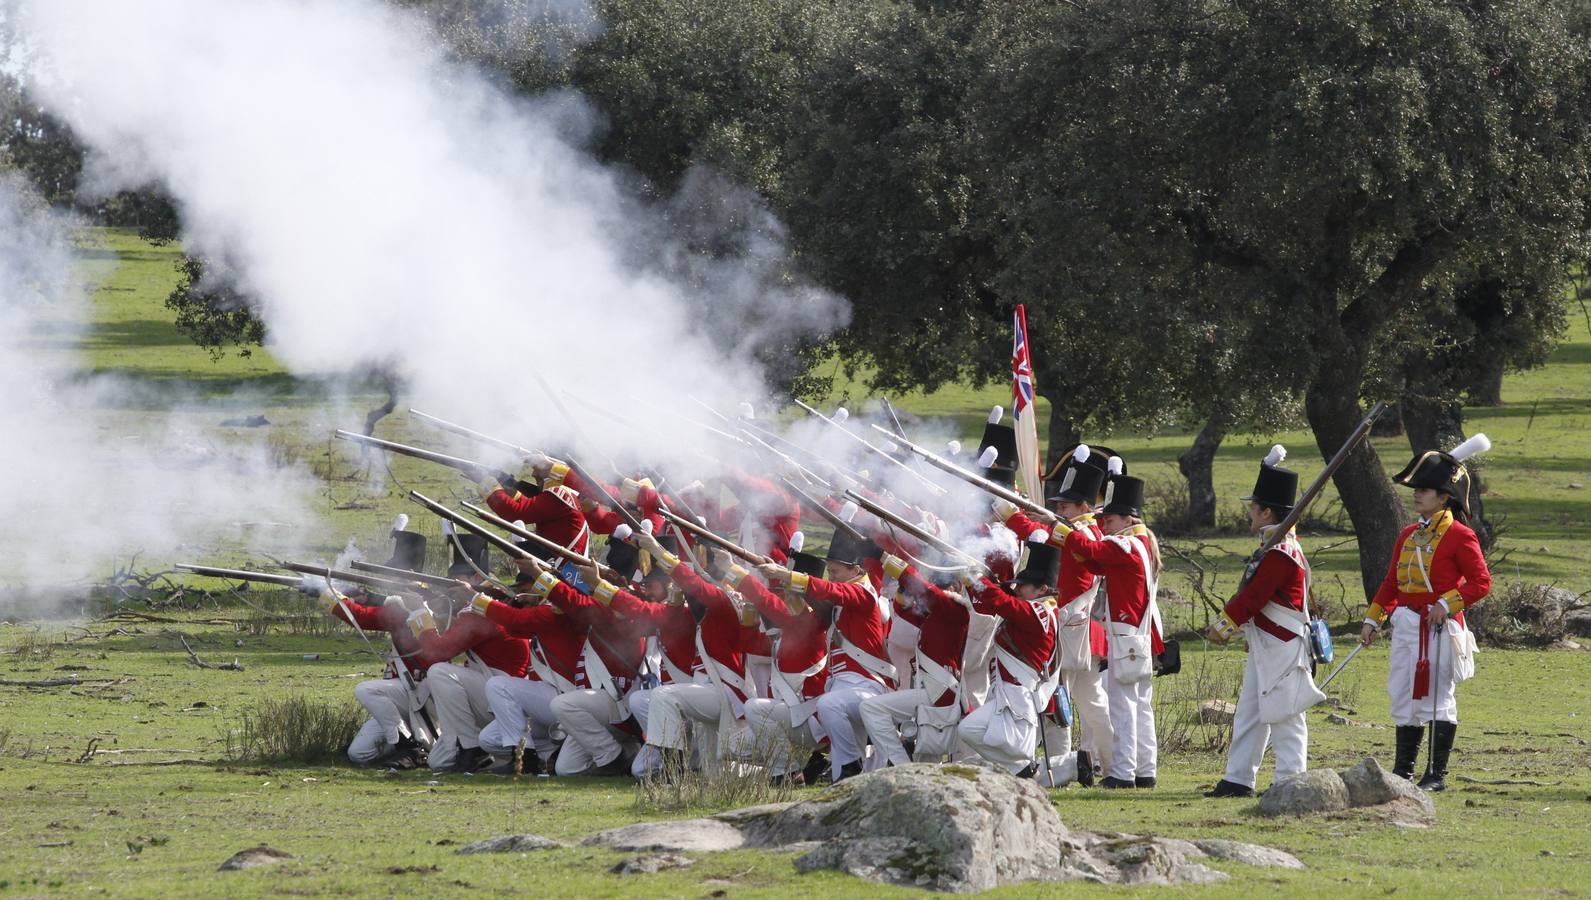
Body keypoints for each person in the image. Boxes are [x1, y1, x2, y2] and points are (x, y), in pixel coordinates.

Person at [1361, 434, 1493, 791]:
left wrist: (1446, 604)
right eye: (1417, 489)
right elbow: (1393, 583)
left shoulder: (1461, 536)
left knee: (1437, 697)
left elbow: (1481, 582)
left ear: (1444, 497)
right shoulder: (1407, 534)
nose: (1417, 494)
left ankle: (1435, 774)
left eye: (1425, 489)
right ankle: (1403, 771)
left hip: (1440, 627)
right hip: (1406, 624)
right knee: (1403, 693)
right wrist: (1374, 618)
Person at [1205, 446, 1324, 798]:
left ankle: (1290, 780)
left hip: (1282, 642)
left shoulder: (1280, 552)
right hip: (1268, 643)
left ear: (1267, 512)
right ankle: (1238, 779)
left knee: (1285, 713)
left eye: (1254, 508)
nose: (1250, 513)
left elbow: (1254, 598)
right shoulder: (1274, 546)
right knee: (1251, 713)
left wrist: (1223, 627)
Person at [1048, 471, 1163, 788]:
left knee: (1123, 707)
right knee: (1138, 707)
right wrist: (1071, 538)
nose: (1103, 527)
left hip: (1125, 636)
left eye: (1109, 521)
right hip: (1133, 637)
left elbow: (1097, 553)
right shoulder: (1136, 544)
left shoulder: (1126, 544)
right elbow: (1095, 563)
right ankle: (1145, 771)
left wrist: (1063, 531)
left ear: (1127, 519)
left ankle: (1124, 773)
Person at [757, 530, 894, 783]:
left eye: (836, 572)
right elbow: (820, 599)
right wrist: (781, 576)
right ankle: (845, 772)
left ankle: (851, 761)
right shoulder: (842, 599)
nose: (832, 577)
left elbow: (832, 592)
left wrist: (787, 575)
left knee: (829, 704)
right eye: (829, 571)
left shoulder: (864, 593)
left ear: (855, 570)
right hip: (842, 687)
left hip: (868, 684)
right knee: (831, 710)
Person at [861, 553, 971, 766]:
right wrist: (906, 587)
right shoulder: (937, 613)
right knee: (927, 762)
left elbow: (928, 592)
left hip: (939, 691)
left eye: (942, 586)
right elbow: (903, 609)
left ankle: (899, 765)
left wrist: (884, 557)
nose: (937, 590)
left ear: (956, 587)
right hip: (933, 689)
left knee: (872, 708)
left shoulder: (954, 609)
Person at [735, 550, 831, 783]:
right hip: (796, 716)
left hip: (813, 722)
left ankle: (784, 771)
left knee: (755, 709)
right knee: (733, 746)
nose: (783, 598)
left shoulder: (811, 622)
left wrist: (735, 571)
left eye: (789, 592)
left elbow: (768, 603)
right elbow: (750, 642)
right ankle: (810, 762)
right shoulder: (793, 624)